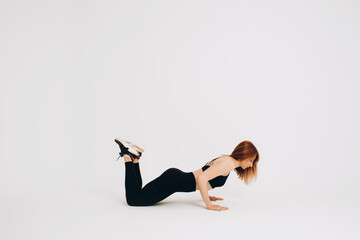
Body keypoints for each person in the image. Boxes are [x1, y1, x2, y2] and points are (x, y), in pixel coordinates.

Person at [115, 138, 260, 211]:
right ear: (244, 154)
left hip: (174, 178)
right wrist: (208, 205)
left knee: (138, 195)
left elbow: (204, 176)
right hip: (174, 182)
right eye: (251, 160)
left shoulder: (227, 160)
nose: (251, 165)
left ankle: (135, 157)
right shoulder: (228, 164)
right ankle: (128, 157)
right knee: (133, 200)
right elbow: (202, 178)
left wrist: (207, 194)